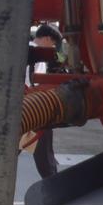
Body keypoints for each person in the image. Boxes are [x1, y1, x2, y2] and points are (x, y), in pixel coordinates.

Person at [30, 23, 64, 178]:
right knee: (43, 148)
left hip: (32, 104)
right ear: (47, 39)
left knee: (42, 148)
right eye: (54, 44)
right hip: (34, 106)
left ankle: (51, 176)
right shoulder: (35, 53)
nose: (54, 47)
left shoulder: (33, 52)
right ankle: (52, 180)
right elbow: (30, 82)